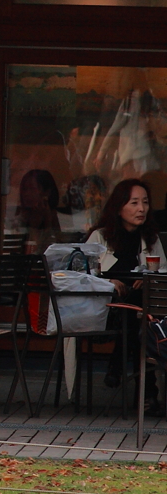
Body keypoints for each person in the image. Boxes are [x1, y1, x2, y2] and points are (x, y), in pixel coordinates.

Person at [86, 178, 165, 415]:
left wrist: (148, 280)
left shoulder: (151, 239)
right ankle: (148, 395)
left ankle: (117, 366)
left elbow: (163, 275)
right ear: (119, 207)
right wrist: (108, 282)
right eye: (134, 203)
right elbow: (83, 275)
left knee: (139, 310)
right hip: (107, 311)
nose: (141, 208)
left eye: (145, 203)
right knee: (136, 315)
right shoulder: (100, 237)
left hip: (142, 313)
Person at [13, 169, 61, 253]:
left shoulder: (57, 217)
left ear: (47, 192)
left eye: (32, 188)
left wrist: (48, 222)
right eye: (24, 189)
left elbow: (54, 251)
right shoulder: (20, 220)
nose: (26, 193)